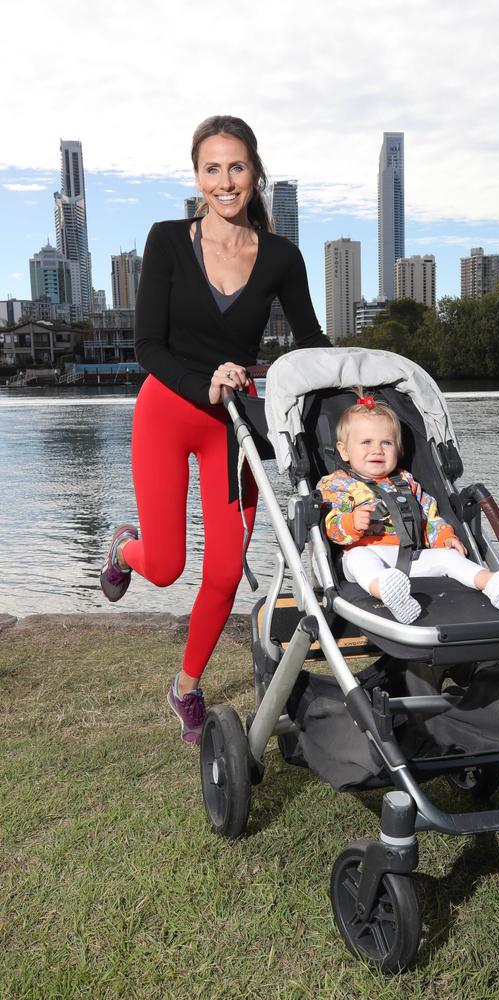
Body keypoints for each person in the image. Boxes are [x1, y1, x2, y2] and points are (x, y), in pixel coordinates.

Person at [100, 115, 330, 743]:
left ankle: (186, 688)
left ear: (256, 174)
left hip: (234, 423)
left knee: (226, 570)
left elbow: (310, 342)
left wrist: (348, 392)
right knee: (169, 564)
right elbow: (148, 345)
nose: (225, 181)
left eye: (237, 168)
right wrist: (200, 382)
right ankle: (125, 547)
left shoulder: (282, 255)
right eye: (212, 168)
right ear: (197, 176)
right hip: (169, 410)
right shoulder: (169, 239)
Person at [317, 397, 499, 624]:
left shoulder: (406, 482)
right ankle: (388, 593)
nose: (377, 450)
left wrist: (445, 537)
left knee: (449, 557)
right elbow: (330, 528)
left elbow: (429, 517)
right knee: (358, 558)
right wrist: (351, 523)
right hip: (364, 554)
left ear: (398, 449)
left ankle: (494, 584)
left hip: (410, 557)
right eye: (366, 442)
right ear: (344, 451)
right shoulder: (337, 485)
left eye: (386, 443)